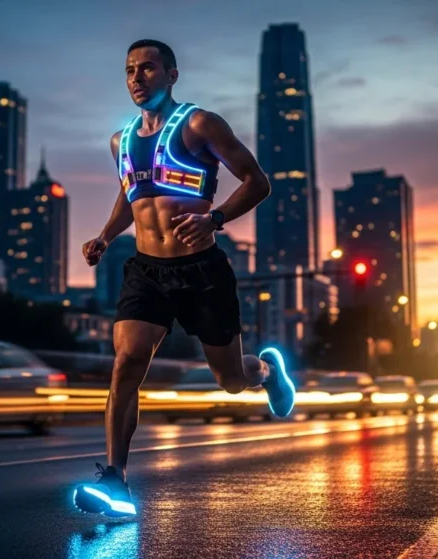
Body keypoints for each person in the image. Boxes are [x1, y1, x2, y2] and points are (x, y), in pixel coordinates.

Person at [72, 39, 296, 518]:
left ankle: (268, 371)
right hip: (146, 272)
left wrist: (214, 220)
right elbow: (131, 194)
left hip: (202, 270)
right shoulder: (121, 141)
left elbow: (258, 182)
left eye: (148, 68)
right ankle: (116, 481)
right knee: (127, 361)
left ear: (172, 75)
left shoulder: (199, 125)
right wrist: (106, 237)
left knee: (231, 380)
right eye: (130, 69)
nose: (137, 77)